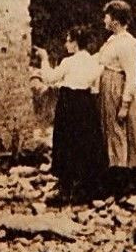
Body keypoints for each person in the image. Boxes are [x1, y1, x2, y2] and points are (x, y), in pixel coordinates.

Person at [34, 26, 106, 202]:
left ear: (75, 43)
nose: (66, 44)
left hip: (69, 102)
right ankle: (85, 187)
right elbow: (95, 85)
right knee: (85, 141)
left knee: (66, 141)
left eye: (68, 40)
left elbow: (49, 78)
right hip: (86, 103)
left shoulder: (68, 62)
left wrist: (44, 59)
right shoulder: (94, 61)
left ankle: (65, 187)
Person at [94, 0, 136, 191]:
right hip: (108, 89)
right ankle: (115, 171)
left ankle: (124, 177)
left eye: (107, 16)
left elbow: (131, 75)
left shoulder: (128, 43)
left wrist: (125, 104)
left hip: (118, 90)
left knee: (120, 131)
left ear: (115, 19)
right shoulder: (113, 40)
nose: (104, 19)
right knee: (111, 131)